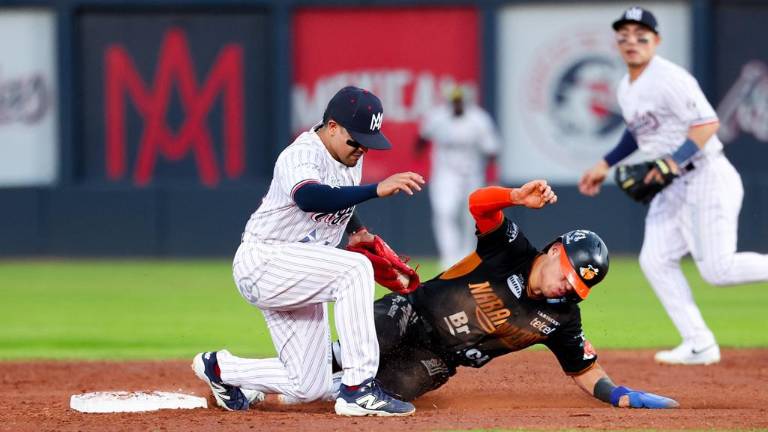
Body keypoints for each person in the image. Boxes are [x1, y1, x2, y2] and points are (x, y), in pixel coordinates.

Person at [329, 180, 678, 408]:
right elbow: (478, 204)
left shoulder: (563, 317)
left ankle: (320, 390)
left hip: (439, 359)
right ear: (556, 251)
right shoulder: (511, 248)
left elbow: (584, 370)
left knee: (393, 391)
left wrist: (618, 395)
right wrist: (514, 198)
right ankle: (322, 364)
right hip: (410, 312)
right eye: (568, 276)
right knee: (371, 342)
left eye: (577, 287)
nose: (567, 287)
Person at [191, 86, 425, 416]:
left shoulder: (347, 157)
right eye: (355, 140)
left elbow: (340, 194)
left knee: (308, 384)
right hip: (265, 262)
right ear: (332, 127)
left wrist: (357, 229)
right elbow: (311, 197)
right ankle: (359, 388)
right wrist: (375, 189)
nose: (362, 149)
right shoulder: (301, 155)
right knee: (354, 271)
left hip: (302, 271)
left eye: (367, 143)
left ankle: (221, 370)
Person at [578, 7, 768, 365]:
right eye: (624, 35)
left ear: (656, 40)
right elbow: (637, 131)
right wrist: (604, 164)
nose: (631, 41)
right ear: (617, 42)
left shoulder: (669, 78)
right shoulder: (626, 87)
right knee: (654, 260)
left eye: (641, 34)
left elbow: (707, 124)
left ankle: (699, 342)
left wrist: (669, 161)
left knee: (717, 270)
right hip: (672, 184)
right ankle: (699, 343)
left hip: (706, 174)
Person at [416, 87, 500, 269]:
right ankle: (449, 257)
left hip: (472, 174)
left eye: (459, 101)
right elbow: (422, 138)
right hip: (446, 174)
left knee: (471, 216)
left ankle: (468, 255)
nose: (457, 105)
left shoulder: (479, 119)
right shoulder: (438, 117)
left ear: (465, 102)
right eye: (454, 101)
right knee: (444, 212)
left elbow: (492, 150)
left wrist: (493, 177)